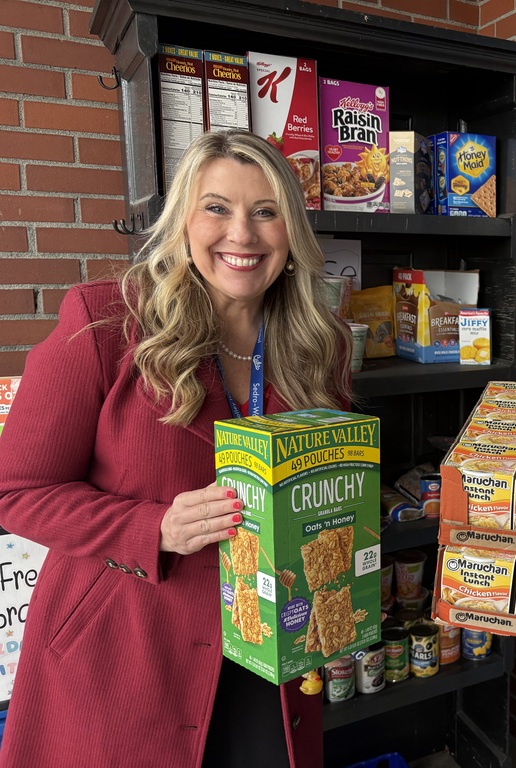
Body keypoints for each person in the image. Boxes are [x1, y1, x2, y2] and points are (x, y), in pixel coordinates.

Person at [0, 129, 354, 768]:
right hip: (125, 656)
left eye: (266, 211)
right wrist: (151, 526)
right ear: (183, 222)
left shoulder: (319, 344)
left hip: (269, 652)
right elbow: (17, 491)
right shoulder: (106, 322)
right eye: (216, 207)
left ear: (292, 232)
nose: (241, 234)